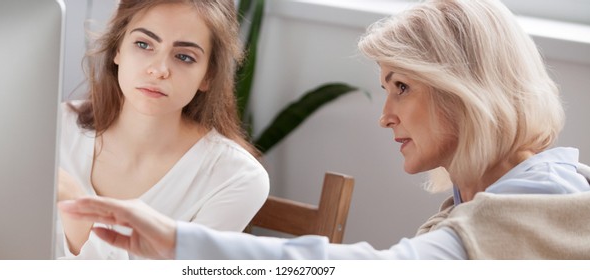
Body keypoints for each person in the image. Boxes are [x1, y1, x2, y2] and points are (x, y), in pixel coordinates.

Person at [58, 0, 590, 259]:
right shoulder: (492, 204)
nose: (384, 114)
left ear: (463, 90)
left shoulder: (534, 211)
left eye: (401, 86)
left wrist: (179, 243)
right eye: (144, 45)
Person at [55, 0, 269, 259]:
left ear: (208, 75)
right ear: (118, 49)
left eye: (184, 57)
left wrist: (78, 213)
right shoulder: (54, 127)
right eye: (144, 44)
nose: (158, 70)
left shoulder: (235, 178)